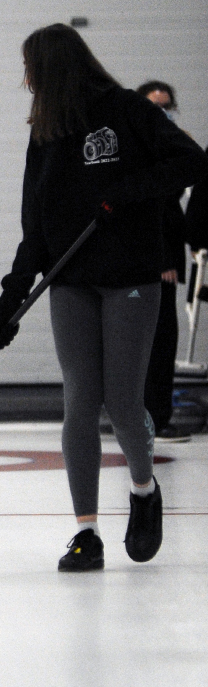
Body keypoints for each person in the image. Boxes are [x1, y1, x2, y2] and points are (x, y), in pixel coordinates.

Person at [0, 24, 208, 572]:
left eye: (31, 69)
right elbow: (34, 226)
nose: (26, 81)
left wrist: (126, 193)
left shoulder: (127, 110)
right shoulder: (45, 135)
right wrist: (12, 296)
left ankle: (143, 490)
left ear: (53, 68)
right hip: (72, 282)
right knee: (80, 402)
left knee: (124, 402)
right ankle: (86, 532)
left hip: (130, 276)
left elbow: (192, 161)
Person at [134, 81, 190, 442]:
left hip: (161, 257)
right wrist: (164, 258)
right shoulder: (140, 147)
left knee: (161, 340)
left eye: (168, 105)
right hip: (151, 260)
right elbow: (153, 208)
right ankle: (151, 415)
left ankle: (155, 414)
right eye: (156, 106)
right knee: (153, 341)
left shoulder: (170, 143)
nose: (164, 111)